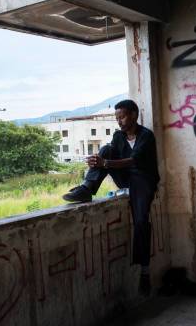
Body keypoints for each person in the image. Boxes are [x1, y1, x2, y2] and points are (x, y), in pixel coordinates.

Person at [62, 99, 160, 295]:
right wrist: (98, 161)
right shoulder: (118, 136)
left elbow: (134, 161)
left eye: (122, 116)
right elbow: (110, 159)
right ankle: (87, 188)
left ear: (134, 115)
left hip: (143, 180)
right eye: (117, 118)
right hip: (125, 178)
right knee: (106, 149)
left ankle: (145, 271)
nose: (119, 121)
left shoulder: (146, 136)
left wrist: (104, 163)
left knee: (140, 221)